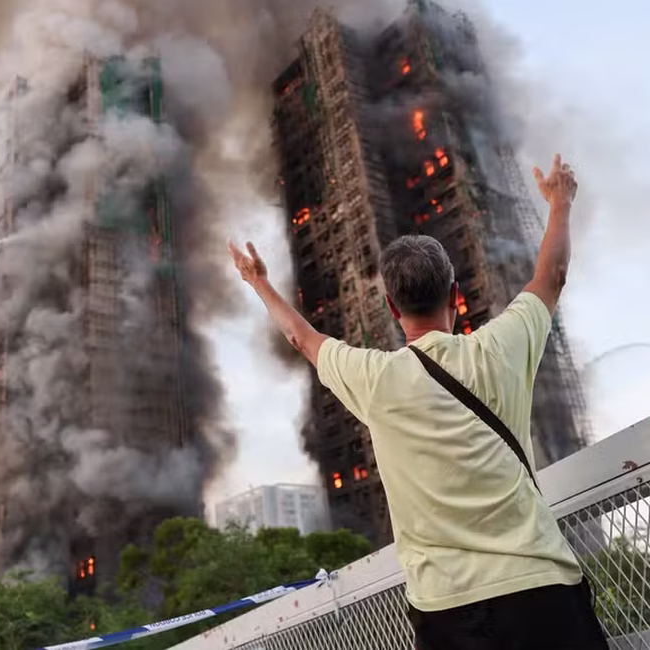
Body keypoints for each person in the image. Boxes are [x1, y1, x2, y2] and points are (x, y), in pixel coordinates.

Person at [228, 154, 608, 649]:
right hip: (542, 594)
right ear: (457, 295)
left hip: (447, 615)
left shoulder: (374, 379)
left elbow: (303, 338)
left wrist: (258, 281)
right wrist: (560, 202)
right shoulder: (502, 348)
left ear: (391, 307)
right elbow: (551, 274)